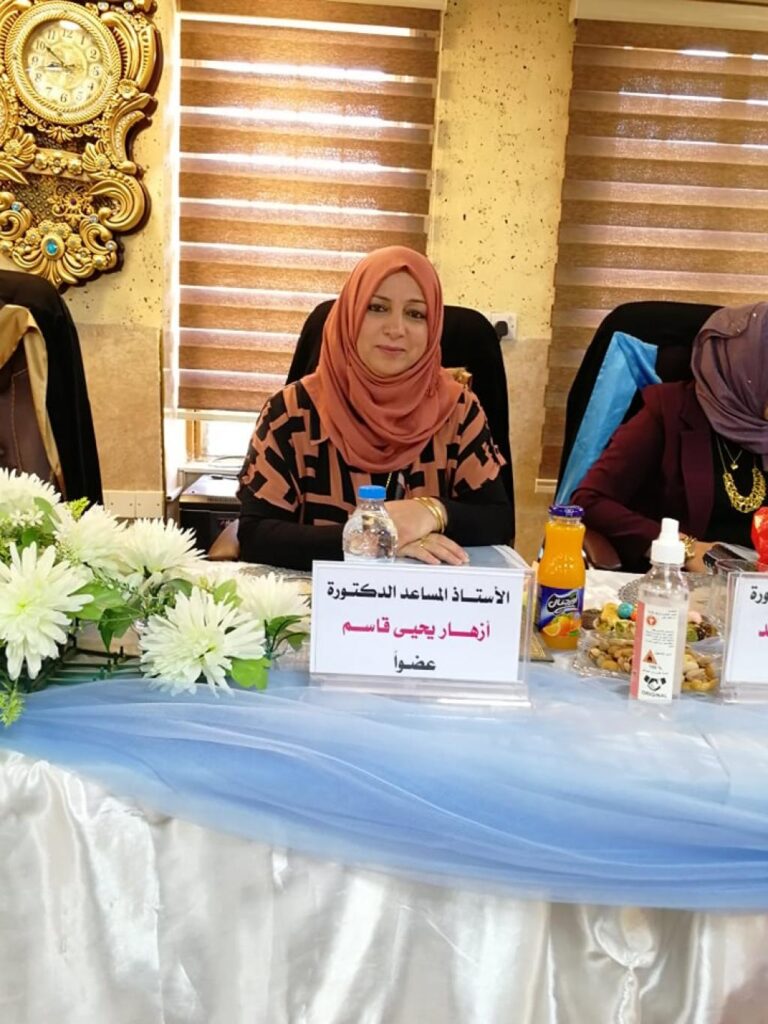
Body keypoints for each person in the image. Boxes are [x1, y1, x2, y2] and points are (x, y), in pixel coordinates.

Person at [237, 246, 512, 571]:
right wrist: (375, 541)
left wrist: (430, 512)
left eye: (416, 314)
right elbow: (256, 534)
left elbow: (498, 520)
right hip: (313, 597)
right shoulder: (290, 412)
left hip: (423, 599)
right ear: (350, 315)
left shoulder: (459, 410)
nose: (396, 328)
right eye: (377, 308)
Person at [572, 301, 768, 573]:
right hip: (679, 584)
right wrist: (684, 548)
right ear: (743, 366)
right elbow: (588, 501)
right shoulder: (668, 412)